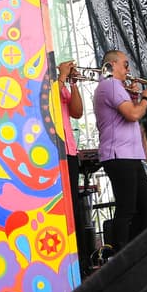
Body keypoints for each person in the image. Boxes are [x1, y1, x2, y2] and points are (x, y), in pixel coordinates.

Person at [93, 50, 147, 252]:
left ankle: (140, 250)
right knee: (127, 208)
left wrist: (135, 97)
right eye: (125, 64)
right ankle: (122, 254)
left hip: (129, 155)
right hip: (119, 155)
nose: (128, 69)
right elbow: (133, 114)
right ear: (112, 65)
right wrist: (146, 99)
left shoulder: (114, 87)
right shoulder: (110, 84)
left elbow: (127, 116)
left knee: (146, 206)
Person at [57, 60, 93, 274]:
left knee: (75, 206)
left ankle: (82, 262)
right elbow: (49, 104)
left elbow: (77, 112)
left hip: (69, 151)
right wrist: (62, 77)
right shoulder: (51, 85)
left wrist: (73, 83)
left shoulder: (61, 86)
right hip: (54, 153)